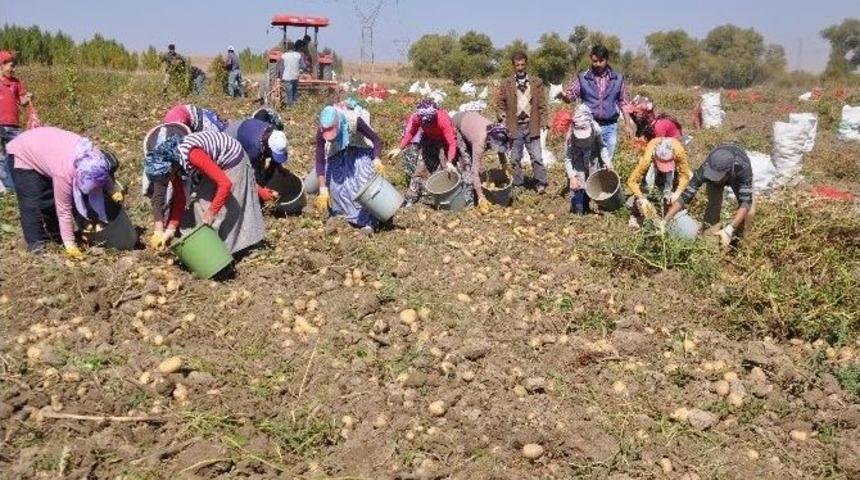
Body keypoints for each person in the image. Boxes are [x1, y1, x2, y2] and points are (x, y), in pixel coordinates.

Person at [6, 127, 121, 258]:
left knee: (50, 198)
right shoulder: (64, 174)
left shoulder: (96, 158)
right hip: (23, 151)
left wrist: (112, 189)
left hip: (46, 147)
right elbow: (64, 210)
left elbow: (101, 175)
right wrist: (70, 244)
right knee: (32, 202)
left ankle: (56, 236)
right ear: (78, 177)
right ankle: (35, 243)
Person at [144, 131, 264, 254]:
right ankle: (206, 247)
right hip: (212, 160)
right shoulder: (174, 164)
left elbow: (225, 184)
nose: (168, 181)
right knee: (200, 204)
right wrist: (170, 229)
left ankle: (229, 252)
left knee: (224, 211)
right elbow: (180, 198)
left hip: (231, 159)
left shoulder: (192, 155)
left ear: (170, 169)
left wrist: (212, 212)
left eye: (166, 178)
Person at [663, 144, 754, 248]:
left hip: (737, 176)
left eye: (717, 176)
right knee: (713, 205)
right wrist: (665, 221)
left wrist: (729, 229)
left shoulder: (743, 169)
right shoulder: (706, 168)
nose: (714, 179)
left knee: (749, 212)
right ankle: (709, 243)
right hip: (719, 169)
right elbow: (685, 196)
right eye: (712, 175)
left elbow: (746, 202)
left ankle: (741, 240)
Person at [559, 45, 633, 168]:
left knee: (607, 160)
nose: (598, 64)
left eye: (601, 61)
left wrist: (628, 124)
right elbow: (571, 96)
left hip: (610, 125)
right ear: (591, 59)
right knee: (591, 160)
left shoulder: (617, 78)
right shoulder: (583, 78)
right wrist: (564, 97)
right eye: (594, 61)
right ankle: (589, 183)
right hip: (590, 125)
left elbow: (623, 102)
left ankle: (603, 184)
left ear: (607, 60)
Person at [314, 105, 384, 234]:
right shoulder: (321, 131)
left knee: (363, 182)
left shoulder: (354, 120)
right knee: (336, 185)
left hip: (360, 150)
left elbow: (377, 140)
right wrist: (323, 188)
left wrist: (376, 158)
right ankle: (341, 218)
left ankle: (368, 222)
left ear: (339, 125)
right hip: (336, 153)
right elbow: (319, 161)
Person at [495, 51, 549, 193]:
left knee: (537, 157)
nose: (520, 67)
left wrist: (544, 120)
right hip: (515, 126)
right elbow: (500, 102)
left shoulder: (536, 82)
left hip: (532, 125)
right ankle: (518, 184)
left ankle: (540, 182)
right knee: (515, 158)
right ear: (513, 66)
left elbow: (542, 103)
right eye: (517, 65)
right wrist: (500, 113)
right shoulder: (507, 84)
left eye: (522, 65)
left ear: (526, 65)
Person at [387, 98, 457, 205]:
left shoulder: (443, 120)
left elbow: (451, 143)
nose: (428, 125)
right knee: (420, 168)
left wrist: (450, 161)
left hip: (443, 141)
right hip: (428, 139)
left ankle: (441, 198)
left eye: (431, 123)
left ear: (434, 117)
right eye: (425, 123)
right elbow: (411, 133)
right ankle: (411, 198)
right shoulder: (418, 117)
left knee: (444, 169)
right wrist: (399, 148)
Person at [450, 111, 511, 214]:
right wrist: (481, 197)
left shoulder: (497, 131)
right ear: (489, 141)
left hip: (471, 121)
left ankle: (476, 186)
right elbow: (475, 170)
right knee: (467, 164)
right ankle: (468, 194)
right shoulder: (480, 142)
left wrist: (504, 165)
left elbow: (500, 149)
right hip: (458, 123)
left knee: (476, 161)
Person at [627, 137, 691, 228]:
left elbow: (685, 175)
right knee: (645, 185)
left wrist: (677, 192)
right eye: (662, 165)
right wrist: (641, 198)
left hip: (673, 168)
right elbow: (631, 181)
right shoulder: (647, 159)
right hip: (652, 165)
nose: (664, 169)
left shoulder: (679, 152)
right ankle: (635, 214)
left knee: (674, 188)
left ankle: (667, 210)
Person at [225, 117, 287, 201]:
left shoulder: (275, 134)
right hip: (231, 138)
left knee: (258, 170)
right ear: (268, 146)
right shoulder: (254, 149)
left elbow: (273, 152)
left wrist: (278, 166)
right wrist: (259, 191)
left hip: (247, 129)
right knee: (240, 177)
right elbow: (244, 172)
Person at [0, 50, 32, 194]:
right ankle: (5, 184)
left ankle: (12, 182)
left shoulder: (16, 82)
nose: (14, 69)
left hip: (13, 125)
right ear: (2, 65)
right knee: (1, 155)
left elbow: (22, 101)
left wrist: (29, 97)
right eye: (11, 66)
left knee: (15, 153)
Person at [564, 105, 605, 215]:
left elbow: (602, 147)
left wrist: (607, 163)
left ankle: (587, 205)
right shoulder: (571, 137)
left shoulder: (596, 130)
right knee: (579, 181)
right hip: (578, 159)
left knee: (591, 181)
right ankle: (579, 210)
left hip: (592, 158)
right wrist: (572, 176)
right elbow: (568, 159)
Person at [281, 42, 304, 106]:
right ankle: (294, 106)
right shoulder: (298, 55)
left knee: (289, 94)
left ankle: (290, 108)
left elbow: (281, 68)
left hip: (287, 78)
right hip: (295, 77)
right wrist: (300, 71)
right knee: (294, 92)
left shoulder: (283, 56)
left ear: (287, 48)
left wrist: (280, 77)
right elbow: (303, 66)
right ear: (294, 48)